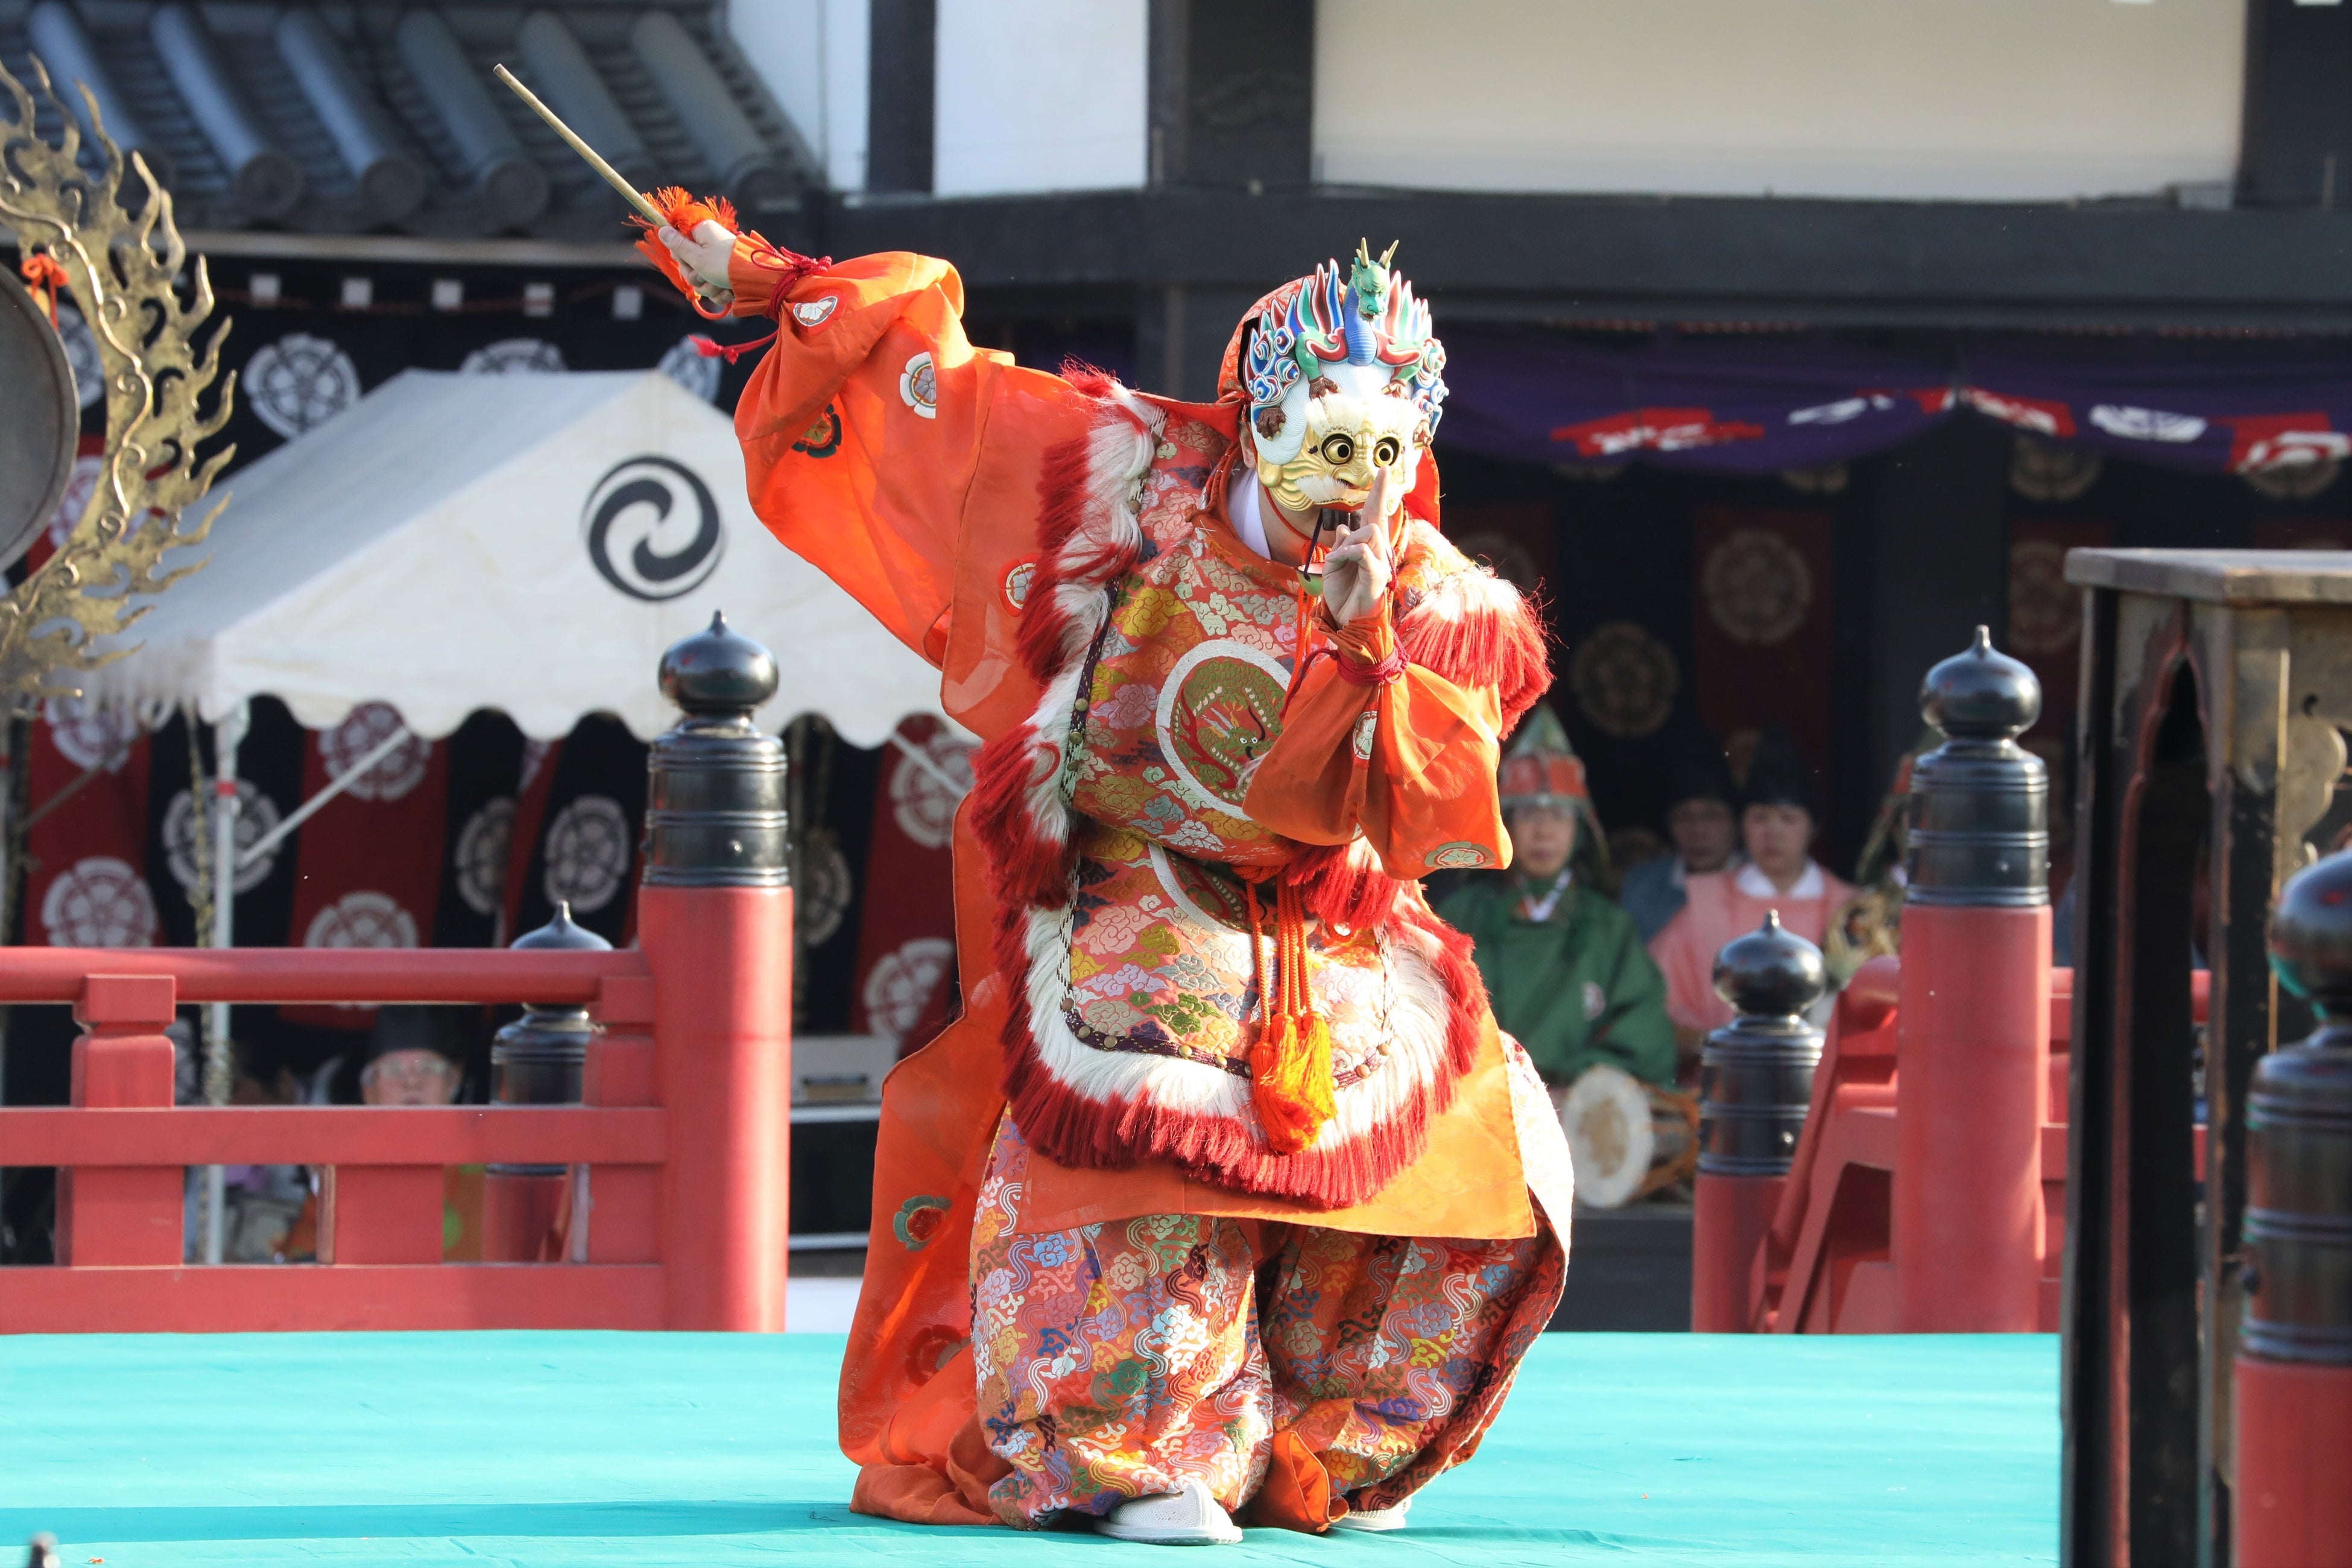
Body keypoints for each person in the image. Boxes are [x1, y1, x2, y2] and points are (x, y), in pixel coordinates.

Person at [649, 209, 1572, 1544]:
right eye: (1327, 441)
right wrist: (783, 289)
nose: (1352, 481)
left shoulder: (1439, 596)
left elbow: (1429, 811)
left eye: (1386, 450)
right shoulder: (1125, 482)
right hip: (1142, 884)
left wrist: (1366, 629)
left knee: (1488, 1147)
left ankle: (1328, 1447)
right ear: (1258, 414)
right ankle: (1141, 1453)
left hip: (1332, 919)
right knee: (1143, 1117)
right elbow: (946, 399)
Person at [1438, 706, 1676, 1090]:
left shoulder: (1610, 927)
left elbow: (1642, 1028)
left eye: (1560, 816)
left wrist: (1582, 1077)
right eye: (1528, 814)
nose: (1544, 831)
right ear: (1504, 824)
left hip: (1578, 1101)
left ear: (1580, 830)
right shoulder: (1461, 914)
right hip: (1478, 1098)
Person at [1649, 725, 1854, 1045]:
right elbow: (1655, 999)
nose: (1773, 832)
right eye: (1759, 818)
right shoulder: (1705, 905)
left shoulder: (1848, 908)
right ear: (1742, 825)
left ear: (1813, 828)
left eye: (1788, 819)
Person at [1617, 724, 1742, 942]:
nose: (1698, 831)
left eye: (1712, 816)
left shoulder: (1760, 881)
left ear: (1737, 823)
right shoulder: (1641, 886)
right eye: (1683, 817)